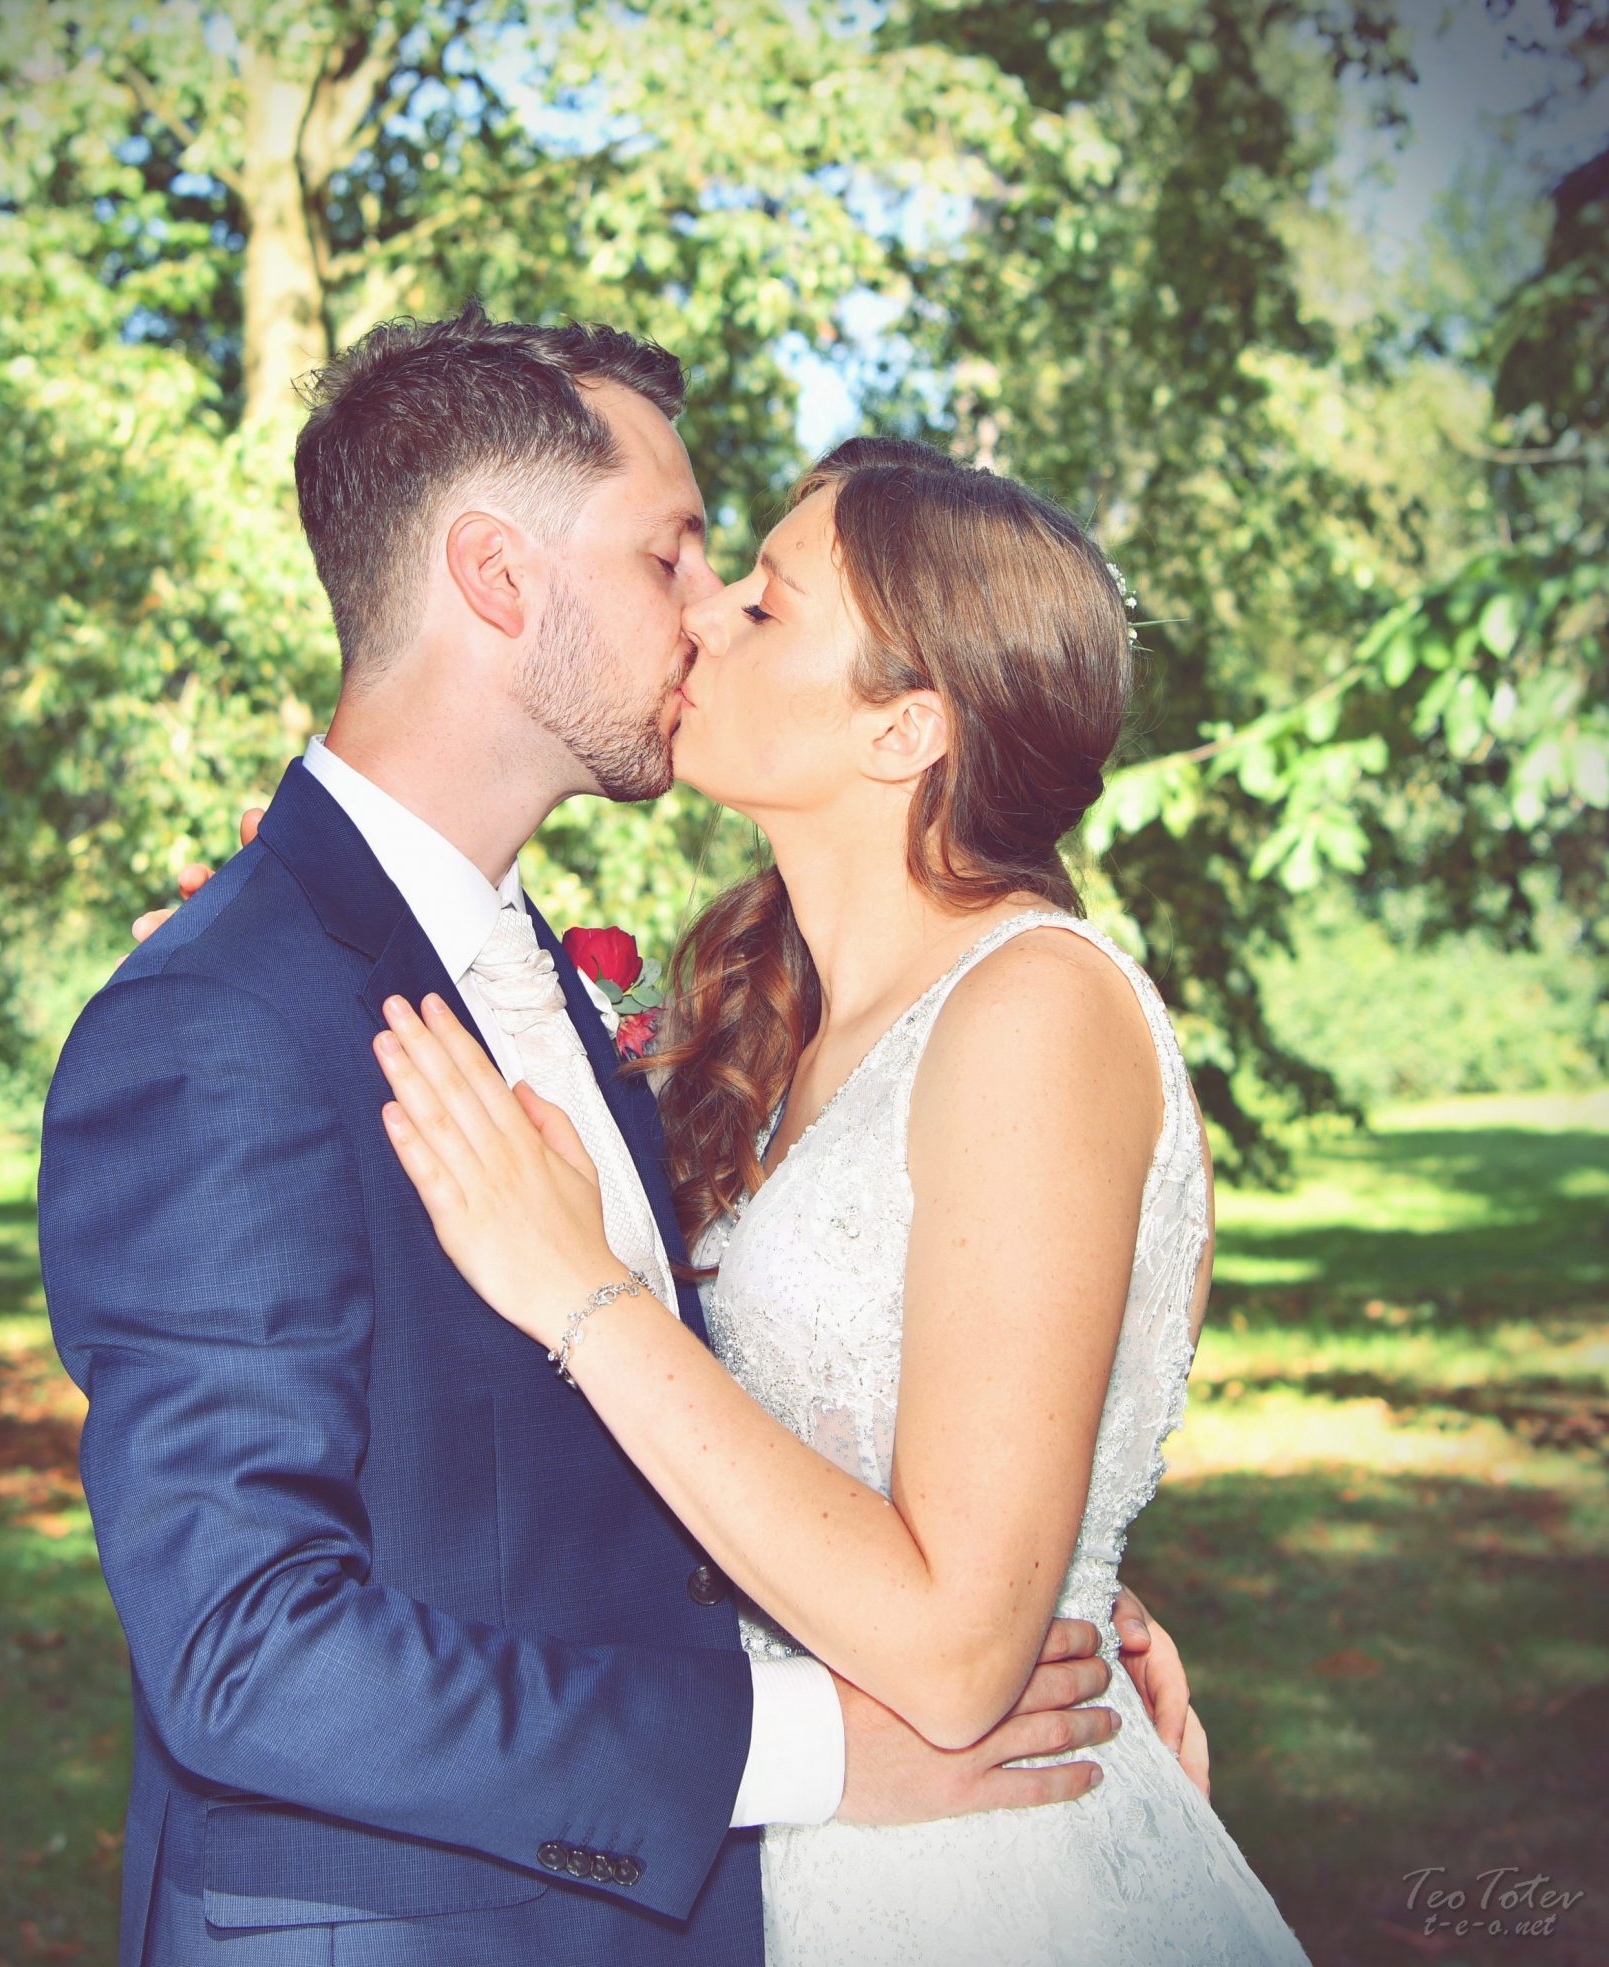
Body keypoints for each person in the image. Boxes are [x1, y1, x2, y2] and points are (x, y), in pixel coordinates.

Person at [58, 303, 1200, 1967]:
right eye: (672, 555)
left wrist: (1046, 1568)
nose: (705, 610)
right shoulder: (221, 1019)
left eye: (746, 588)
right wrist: (815, 1740)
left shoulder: (606, 993)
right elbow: (240, 1647)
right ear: (499, 579)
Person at [363, 434, 1314, 1963]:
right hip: (797, 1837)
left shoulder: (1033, 1010)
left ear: (905, 728)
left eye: (764, 604)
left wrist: (583, 1293)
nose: (699, 613)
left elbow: (952, 1653)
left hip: (983, 1878)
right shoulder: (778, 1030)